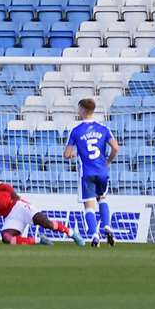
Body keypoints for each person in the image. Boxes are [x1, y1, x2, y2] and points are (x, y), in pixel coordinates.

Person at [0, 170, 82, 246]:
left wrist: (14, 195)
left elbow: (6, 186)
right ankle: (39, 240)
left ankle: (71, 233)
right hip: (10, 217)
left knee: (47, 224)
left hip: (18, 206)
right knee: (6, 238)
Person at [64, 98, 119, 248]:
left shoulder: (76, 131)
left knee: (89, 206)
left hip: (87, 172)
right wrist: (107, 161)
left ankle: (95, 235)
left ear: (82, 110)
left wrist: (77, 153)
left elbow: (66, 154)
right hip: (102, 170)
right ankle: (107, 225)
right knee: (102, 198)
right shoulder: (103, 128)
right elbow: (116, 148)